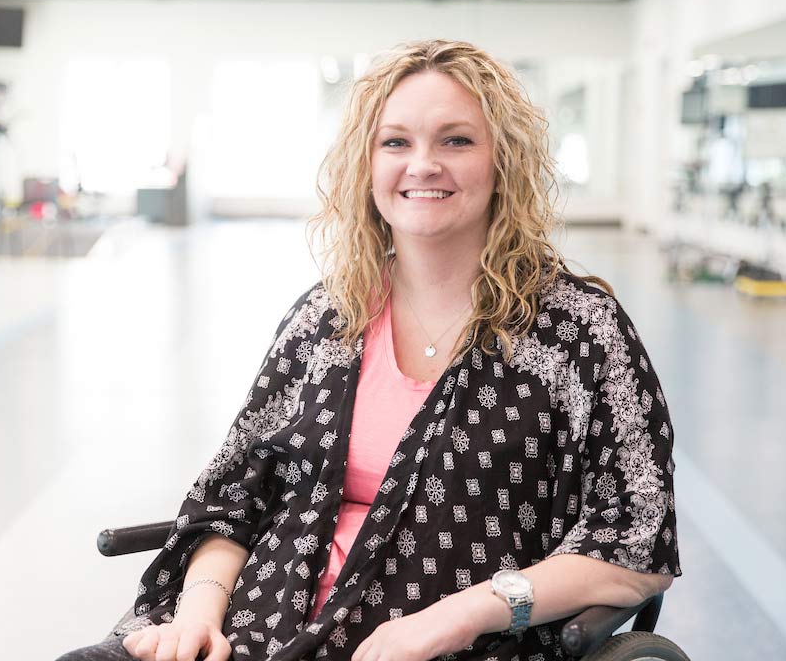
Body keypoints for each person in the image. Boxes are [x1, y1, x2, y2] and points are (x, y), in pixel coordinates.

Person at [56, 39, 681, 661]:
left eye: (456, 140)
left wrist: (461, 616)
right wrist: (196, 618)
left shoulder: (579, 332)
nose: (423, 164)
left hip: (459, 646)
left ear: (504, 161)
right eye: (396, 142)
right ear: (368, 165)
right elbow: (235, 499)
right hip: (256, 626)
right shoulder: (326, 318)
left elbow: (635, 546)